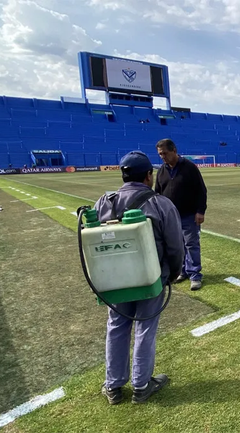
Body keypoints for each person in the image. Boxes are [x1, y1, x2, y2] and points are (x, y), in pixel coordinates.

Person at [93, 150, 185, 405]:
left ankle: (113, 386)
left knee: (117, 326)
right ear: (148, 175)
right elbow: (176, 247)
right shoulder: (160, 204)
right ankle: (142, 385)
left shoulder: (103, 202)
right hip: (150, 278)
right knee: (145, 327)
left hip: (113, 281)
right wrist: (172, 274)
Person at [154, 138, 208, 291]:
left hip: (189, 215)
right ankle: (182, 271)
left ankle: (195, 275)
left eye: (165, 153)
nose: (162, 156)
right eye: (160, 154)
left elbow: (201, 191)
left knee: (191, 245)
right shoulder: (162, 171)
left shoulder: (189, 167)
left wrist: (200, 211)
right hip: (169, 217)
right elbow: (157, 193)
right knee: (177, 246)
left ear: (174, 151)